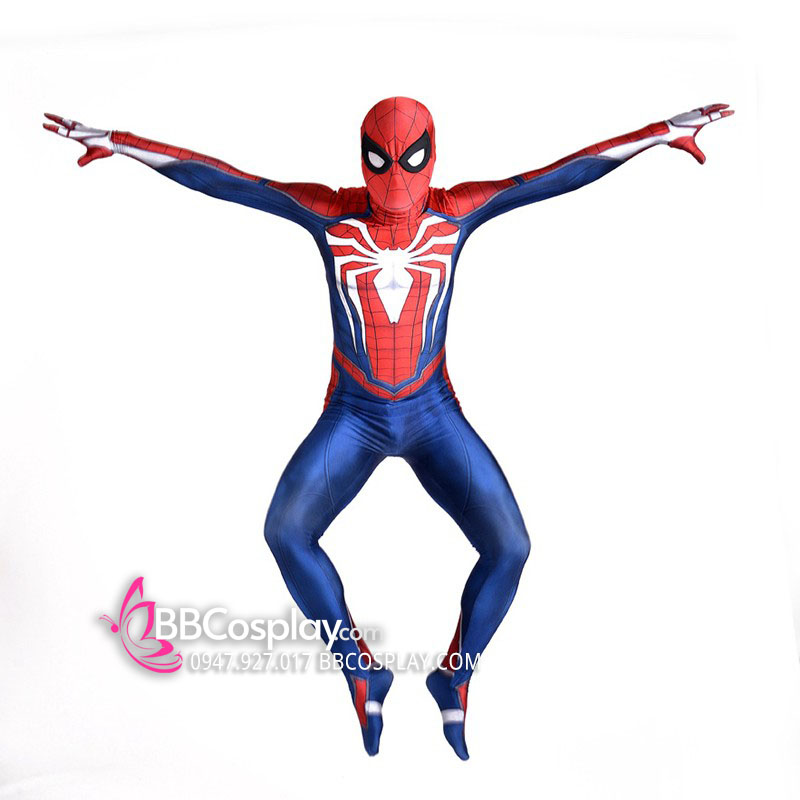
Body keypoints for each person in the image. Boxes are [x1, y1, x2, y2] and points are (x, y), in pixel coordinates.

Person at [44, 97, 733, 759]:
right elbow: (226, 180)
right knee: (285, 532)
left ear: (433, 158)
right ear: (362, 159)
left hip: (432, 414)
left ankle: (454, 677)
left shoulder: (457, 211)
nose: (396, 179)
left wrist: (659, 131)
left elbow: (561, 174)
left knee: (511, 547)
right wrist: (121, 144)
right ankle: (361, 670)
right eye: (381, 160)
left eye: (410, 159)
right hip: (355, 415)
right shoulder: (330, 214)